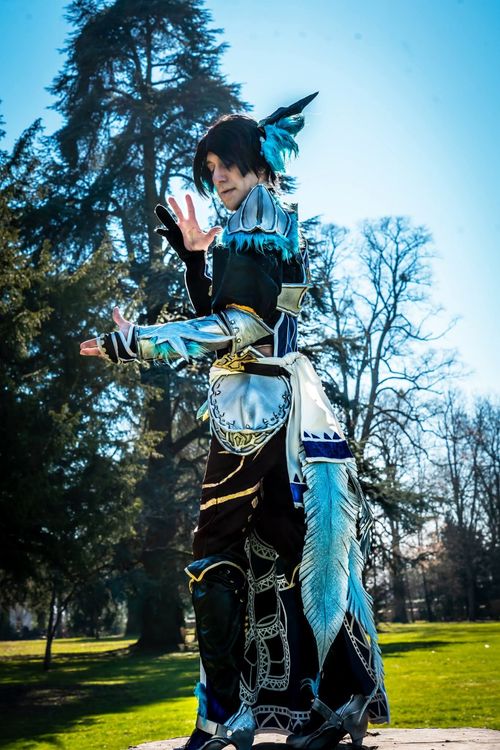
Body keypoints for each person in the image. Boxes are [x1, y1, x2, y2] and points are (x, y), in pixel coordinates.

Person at [80, 93, 389, 750]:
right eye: (211, 168)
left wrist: (134, 342)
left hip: (251, 413)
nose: (217, 176)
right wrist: (196, 259)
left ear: (257, 161)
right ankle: (344, 690)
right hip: (269, 406)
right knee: (290, 547)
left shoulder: (255, 228)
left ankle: (224, 712)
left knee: (213, 551)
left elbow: (235, 330)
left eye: (227, 164)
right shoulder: (266, 221)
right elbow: (244, 326)